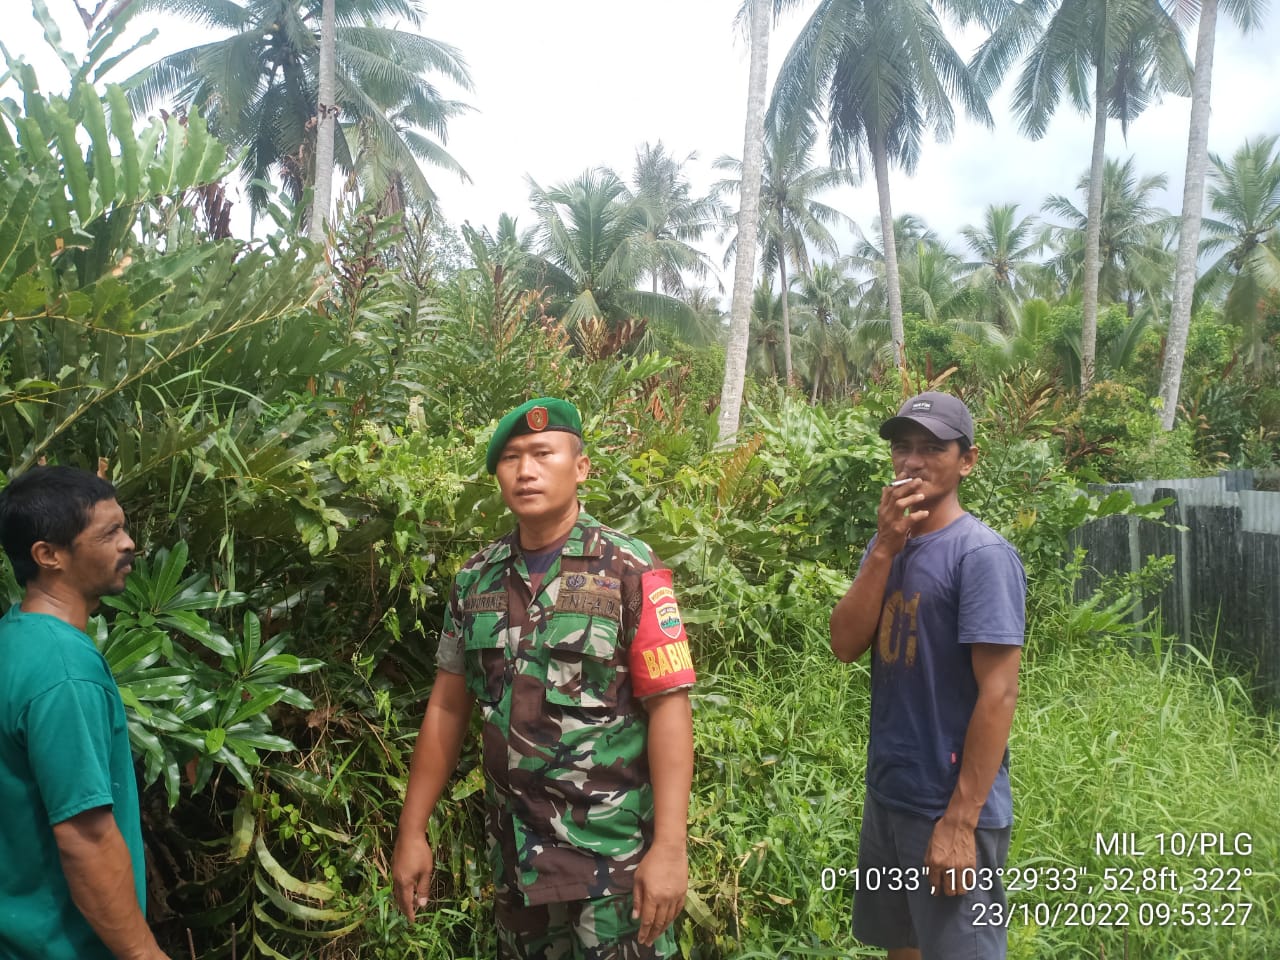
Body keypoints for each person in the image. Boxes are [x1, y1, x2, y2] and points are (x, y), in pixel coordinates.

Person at [392, 398, 696, 959]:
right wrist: (412, 830)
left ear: (579, 467)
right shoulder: (474, 580)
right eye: (510, 458)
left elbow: (669, 708)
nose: (525, 470)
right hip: (517, 864)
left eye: (541, 453)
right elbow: (448, 709)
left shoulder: (629, 570)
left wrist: (671, 848)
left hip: (614, 864)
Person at [829, 392, 1025, 960]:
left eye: (932, 448)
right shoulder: (888, 545)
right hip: (890, 795)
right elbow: (845, 644)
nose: (912, 462)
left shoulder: (981, 555)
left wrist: (960, 822)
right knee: (903, 947)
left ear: (968, 460)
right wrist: (886, 545)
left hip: (949, 806)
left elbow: (999, 692)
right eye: (902, 447)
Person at [0, 466, 170, 960]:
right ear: (48, 555)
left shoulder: (14, 638)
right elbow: (85, 836)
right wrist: (144, 954)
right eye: (110, 532)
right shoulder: (65, 671)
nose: (129, 543)